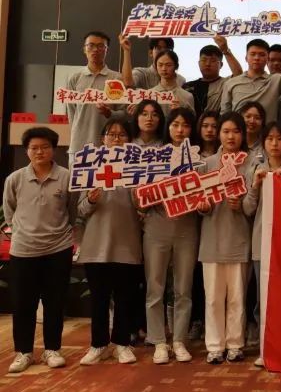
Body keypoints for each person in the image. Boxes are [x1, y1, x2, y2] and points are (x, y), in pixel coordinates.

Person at [3, 127, 76, 373]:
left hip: (58, 249)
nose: (39, 152)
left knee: (55, 302)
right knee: (23, 304)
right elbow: (10, 212)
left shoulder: (66, 177)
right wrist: (23, 232)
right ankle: (24, 352)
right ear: (26, 151)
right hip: (23, 251)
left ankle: (52, 349)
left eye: (45, 147)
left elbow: (72, 212)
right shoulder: (15, 179)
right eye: (34, 148)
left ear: (54, 149)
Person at [76, 118, 141, 366]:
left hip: (127, 243)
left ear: (130, 140)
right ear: (102, 138)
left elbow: (144, 206)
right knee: (99, 299)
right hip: (96, 245)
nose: (116, 139)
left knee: (125, 298)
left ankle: (122, 344)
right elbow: (80, 210)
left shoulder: (138, 168)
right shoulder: (89, 167)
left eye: (122, 135)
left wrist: (139, 199)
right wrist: (91, 200)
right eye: (111, 134)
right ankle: (98, 345)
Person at [141, 108, 200, 365]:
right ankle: (158, 341)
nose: (180, 130)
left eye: (185, 125)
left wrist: (201, 202)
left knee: (183, 288)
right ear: (168, 127)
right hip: (157, 227)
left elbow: (204, 196)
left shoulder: (199, 158)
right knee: (155, 288)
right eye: (175, 124)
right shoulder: (154, 157)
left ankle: (179, 340)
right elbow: (140, 198)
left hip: (187, 228)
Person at [197, 112, 254, 365]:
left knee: (237, 298)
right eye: (226, 131)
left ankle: (235, 344)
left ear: (243, 134)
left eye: (236, 131)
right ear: (218, 134)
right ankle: (214, 346)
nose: (231, 136)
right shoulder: (207, 164)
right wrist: (203, 207)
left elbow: (254, 204)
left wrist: (241, 205)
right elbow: (196, 201)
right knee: (212, 298)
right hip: (212, 240)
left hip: (239, 240)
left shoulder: (252, 164)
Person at [244, 121, 281, 367]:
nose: (275, 144)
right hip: (261, 242)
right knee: (262, 298)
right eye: (270, 139)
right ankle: (265, 347)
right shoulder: (256, 169)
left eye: (280, 138)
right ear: (263, 142)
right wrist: (255, 185)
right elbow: (247, 208)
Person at [220, 32, 281, 123]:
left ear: (267, 59)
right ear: (246, 58)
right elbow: (224, 115)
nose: (257, 58)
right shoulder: (231, 83)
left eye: (262, 55)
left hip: (266, 132)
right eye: (253, 54)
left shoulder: (276, 80)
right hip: (239, 131)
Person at [65, 30, 122, 156]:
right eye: (91, 45)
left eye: (101, 46)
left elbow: (125, 114)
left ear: (106, 50)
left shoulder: (117, 78)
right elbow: (72, 113)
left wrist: (110, 113)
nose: (95, 50)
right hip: (79, 147)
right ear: (84, 49)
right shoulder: (75, 78)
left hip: (109, 147)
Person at [121, 44, 195, 113]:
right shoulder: (148, 95)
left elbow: (192, 119)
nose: (164, 69)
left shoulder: (187, 96)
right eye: (160, 65)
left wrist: (181, 112)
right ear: (156, 66)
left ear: (176, 66)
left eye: (168, 65)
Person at [183, 38, 243, 114]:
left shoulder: (226, 84)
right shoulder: (187, 86)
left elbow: (238, 74)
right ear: (198, 63)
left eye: (213, 61)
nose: (207, 64)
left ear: (221, 65)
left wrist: (226, 51)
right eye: (204, 60)